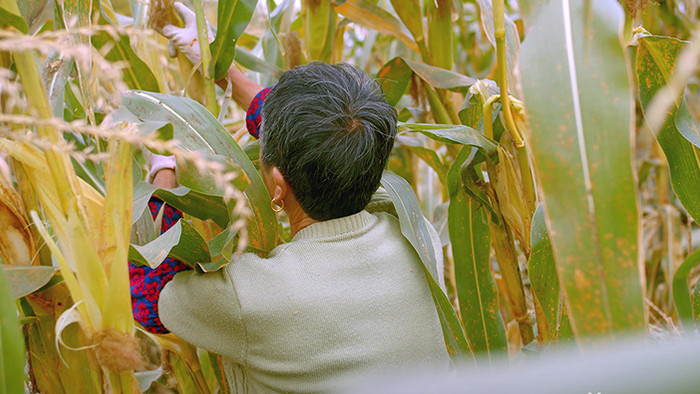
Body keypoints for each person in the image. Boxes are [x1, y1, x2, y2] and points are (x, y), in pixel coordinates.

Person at [130, 3, 450, 392]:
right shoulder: (417, 236)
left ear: (277, 187)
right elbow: (333, 135)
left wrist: (162, 170)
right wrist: (222, 67)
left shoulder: (248, 298)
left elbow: (148, 297)